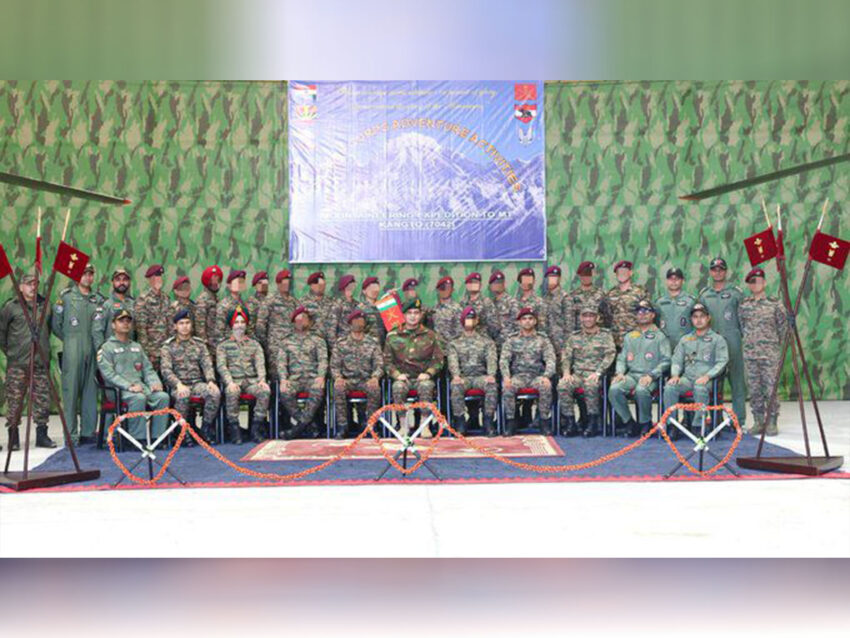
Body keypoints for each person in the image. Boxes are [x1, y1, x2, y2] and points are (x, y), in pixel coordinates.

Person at [0, 274, 56, 450]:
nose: (33, 287)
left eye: (36, 284)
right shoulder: (11, 307)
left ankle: (42, 435)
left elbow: (49, 329)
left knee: (42, 400)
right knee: (15, 401)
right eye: (29, 284)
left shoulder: (46, 306)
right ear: (21, 287)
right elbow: (1, 333)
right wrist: (12, 352)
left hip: (40, 362)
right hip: (18, 364)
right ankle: (13, 437)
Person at [96, 309, 170, 441]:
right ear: (113, 325)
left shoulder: (137, 347)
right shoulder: (106, 348)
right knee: (138, 398)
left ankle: (158, 438)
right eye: (121, 321)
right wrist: (129, 386)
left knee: (162, 397)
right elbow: (108, 374)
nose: (125, 324)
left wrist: (155, 382)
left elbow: (147, 369)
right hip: (118, 390)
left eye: (128, 321)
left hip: (140, 388)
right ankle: (136, 439)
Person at [52, 262, 103, 443]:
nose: (87, 277)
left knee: (91, 392)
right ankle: (71, 436)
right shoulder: (66, 298)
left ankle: (88, 433)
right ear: (76, 277)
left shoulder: (98, 299)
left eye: (90, 274)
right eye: (84, 274)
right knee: (71, 393)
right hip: (73, 350)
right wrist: (70, 340)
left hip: (93, 350)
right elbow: (56, 325)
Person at [663, 303, 729, 438]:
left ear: (708, 318)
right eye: (695, 317)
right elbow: (676, 360)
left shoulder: (717, 339)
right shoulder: (685, 339)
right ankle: (672, 425)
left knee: (699, 388)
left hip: (707, 380)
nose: (698, 320)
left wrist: (708, 376)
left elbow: (722, 361)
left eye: (702, 316)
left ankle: (698, 426)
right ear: (691, 319)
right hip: (688, 379)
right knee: (670, 387)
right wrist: (675, 375)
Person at [609, 300, 671, 437]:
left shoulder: (660, 336)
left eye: (646, 311)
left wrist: (652, 375)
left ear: (653, 315)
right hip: (632, 375)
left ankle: (645, 423)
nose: (642, 314)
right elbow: (622, 358)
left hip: (651, 376)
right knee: (614, 389)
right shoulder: (630, 336)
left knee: (641, 390)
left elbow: (666, 360)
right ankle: (629, 422)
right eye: (639, 311)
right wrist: (620, 372)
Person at [160, 308, 220, 445]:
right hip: (178, 385)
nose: (185, 326)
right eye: (181, 323)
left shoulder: (199, 344)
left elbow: (207, 365)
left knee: (214, 392)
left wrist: (210, 380)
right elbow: (166, 370)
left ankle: (205, 429)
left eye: (187, 323)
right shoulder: (168, 347)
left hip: (197, 383)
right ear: (175, 326)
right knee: (183, 395)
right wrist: (178, 384)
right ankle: (182, 432)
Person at [383, 298, 444, 433]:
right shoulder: (392, 335)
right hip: (402, 378)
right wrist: (396, 375)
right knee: (398, 387)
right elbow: (387, 361)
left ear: (421, 315)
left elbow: (438, 360)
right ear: (403, 315)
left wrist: (428, 373)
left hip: (422, 377)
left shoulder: (430, 335)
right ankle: (403, 425)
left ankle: (424, 425)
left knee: (426, 386)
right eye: (409, 313)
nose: (413, 316)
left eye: (416, 313)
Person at [739, 267, 787, 436]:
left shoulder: (775, 304)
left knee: (771, 388)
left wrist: (772, 346)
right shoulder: (744, 305)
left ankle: (772, 421)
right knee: (754, 389)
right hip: (750, 355)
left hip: (769, 354)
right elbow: (742, 327)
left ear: (765, 283)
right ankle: (758, 421)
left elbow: (783, 328)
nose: (755, 284)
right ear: (749, 285)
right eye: (752, 282)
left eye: (758, 281)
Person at [699, 257, 746, 427]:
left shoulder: (736, 293)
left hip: (732, 342)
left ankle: (738, 421)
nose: (717, 272)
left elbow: (744, 319)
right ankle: (715, 420)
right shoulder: (704, 295)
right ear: (710, 272)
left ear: (725, 271)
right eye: (714, 269)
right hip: (712, 344)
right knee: (714, 383)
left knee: (737, 382)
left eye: (721, 269)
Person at [557, 305, 616, 438]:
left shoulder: (605, 335)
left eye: (591, 316)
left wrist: (599, 372)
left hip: (596, 375)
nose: (588, 319)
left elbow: (610, 355)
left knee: (591, 385)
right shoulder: (574, 337)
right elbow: (566, 357)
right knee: (563, 385)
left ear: (597, 318)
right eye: (585, 316)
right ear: (581, 318)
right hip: (578, 374)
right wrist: (566, 373)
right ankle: (570, 422)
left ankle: (592, 422)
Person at [216, 305, 270, 444]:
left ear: (246, 325)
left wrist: (262, 380)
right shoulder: (223, 346)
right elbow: (222, 366)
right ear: (231, 325)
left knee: (265, 391)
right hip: (234, 381)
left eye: (242, 322)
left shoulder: (255, 345)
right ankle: (235, 429)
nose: (239, 325)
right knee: (232, 392)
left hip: (251, 382)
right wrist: (229, 382)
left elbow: (260, 364)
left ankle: (256, 428)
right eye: (236, 322)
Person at [499, 307, 556, 435]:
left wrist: (547, 376)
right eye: (524, 319)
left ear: (535, 321)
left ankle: (543, 421)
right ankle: (511, 422)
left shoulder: (543, 339)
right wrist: (506, 377)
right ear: (519, 322)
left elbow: (550, 359)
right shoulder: (512, 339)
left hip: (537, 376)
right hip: (518, 376)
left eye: (530, 318)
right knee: (508, 387)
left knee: (545, 386)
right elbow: (504, 360)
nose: (527, 321)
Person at [330, 309, 383, 439]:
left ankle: (370, 425)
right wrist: (338, 377)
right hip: (347, 380)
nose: (359, 323)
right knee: (338, 387)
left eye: (361, 320)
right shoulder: (341, 343)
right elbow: (334, 365)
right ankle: (343, 426)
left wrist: (375, 377)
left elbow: (379, 364)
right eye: (356, 320)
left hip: (366, 380)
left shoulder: (372, 342)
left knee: (375, 388)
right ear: (350, 323)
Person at [277, 306, 328, 439]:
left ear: (309, 322)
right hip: (294, 379)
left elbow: (323, 360)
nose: (301, 321)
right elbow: (281, 363)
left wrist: (321, 376)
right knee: (285, 392)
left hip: (312, 379)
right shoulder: (286, 341)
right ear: (293, 322)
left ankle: (297, 429)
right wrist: (283, 379)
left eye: (304, 318)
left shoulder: (318, 340)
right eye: (298, 319)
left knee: (318, 389)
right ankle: (308, 425)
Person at [447, 306, 498, 436]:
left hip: (480, 377)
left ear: (477, 321)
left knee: (491, 385)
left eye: (472, 318)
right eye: (467, 318)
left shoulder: (486, 341)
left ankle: (488, 421)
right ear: (462, 321)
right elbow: (453, 361)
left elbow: (491, 359)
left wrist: (491, 374)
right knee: (456, 386)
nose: (469, 321)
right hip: (463, 377)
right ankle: (460, 422)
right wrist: (456, 376)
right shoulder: (454, 343)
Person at [134, 264, 171, 370]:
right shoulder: (143, 299)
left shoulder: (166, 298)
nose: (158, 279)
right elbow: (141, 329)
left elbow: (170, 324)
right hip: (151, 352)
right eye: (155, 276)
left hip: (165, 350)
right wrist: (146, 353)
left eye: (160, 276)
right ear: (149, 280)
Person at [605, 260, 648, 348]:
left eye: (624, 272)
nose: (622, 274)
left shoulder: (640, 292)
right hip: (615, 341)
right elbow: (606, 316)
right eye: (619, 272)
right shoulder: (611, 293)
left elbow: (647, 315)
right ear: (616, 275)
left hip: (635, 339)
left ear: (630, 273)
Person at [92, 267, 135, 352]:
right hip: (112, 353)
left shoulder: (133, 304)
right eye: (118, 280)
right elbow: (97, 331)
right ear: (113, 282)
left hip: (130, 352)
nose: (122, 283)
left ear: (129, 282)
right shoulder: (106, 305)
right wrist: (101, 352)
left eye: (125, 280)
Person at [654, 267, 696, 351]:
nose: (674, 281)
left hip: (686, 345)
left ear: (682, 281)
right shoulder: (659, 302)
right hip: (664, 346)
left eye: (677, 279)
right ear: (666, 281)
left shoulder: (691, 301)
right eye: (671, 279)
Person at [568, 261, 610, 331]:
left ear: (593, 275)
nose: (586, 277)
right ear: (579, 276)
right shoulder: (572, 296)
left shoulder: (601, 294)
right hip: (579, 334)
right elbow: (570, 319)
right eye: (584, 275)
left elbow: (607, 318)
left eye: (589, 275)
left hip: (597, 334)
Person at [459, 272, 500, 342]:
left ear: (480, 285)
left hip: (482, 342)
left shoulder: (486, 302)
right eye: (471, 283)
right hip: (465, 341)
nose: (473, 285)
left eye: (476, 283)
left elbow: (494, 326)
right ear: (467, 286)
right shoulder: (462, 303)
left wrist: (485, 338)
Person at [194, 264, 223, 361]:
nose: (215, 283)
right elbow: (200, 327)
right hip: (208, 348)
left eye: (217, 280)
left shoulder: (216, 298)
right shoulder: (203, 299)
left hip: (217, 345)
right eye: (212, 280)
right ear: (207, 281)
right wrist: (204, 347)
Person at [541, 265, 570, 357]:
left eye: (554, 277)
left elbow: (569, 325)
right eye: (549, 277)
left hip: (560, 345)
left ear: (559, 279)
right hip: (546, 344)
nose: (551, 280)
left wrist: (567, 346)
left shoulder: (565, 298)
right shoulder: (545, 298)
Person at [301, 271, 336, 344]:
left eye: (323, 285)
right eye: (318, 285)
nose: (321, 288)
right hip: (311, 343)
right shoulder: (303, 302)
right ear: (311, 285)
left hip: (329, 342)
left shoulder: (331, 302)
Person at [488, 269, 519, 345]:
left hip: (508, 345)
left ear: (504, 284)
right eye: (495, 283)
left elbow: (518, 326)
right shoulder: (490, 304)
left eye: (500, 282)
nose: (498, 285)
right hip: (493, 345)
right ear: (490, 286)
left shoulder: (512, 303)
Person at [216, 269, 248, 343]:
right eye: (237, 282)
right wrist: (229, 337)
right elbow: (220, 329)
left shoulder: (244, 304)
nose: (239, 285)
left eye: (241, 282)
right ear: (229, 285)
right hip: (228, 342)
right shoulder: (223, 305)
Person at [431, 276, 463, 346]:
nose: (445, 290)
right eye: (443, 288)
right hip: (437, 348)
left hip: (451, 347)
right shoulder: (434, 309)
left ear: (452, 290)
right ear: (437, 290)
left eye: (448, 288)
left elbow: (460, 333)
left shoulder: (457, 309)